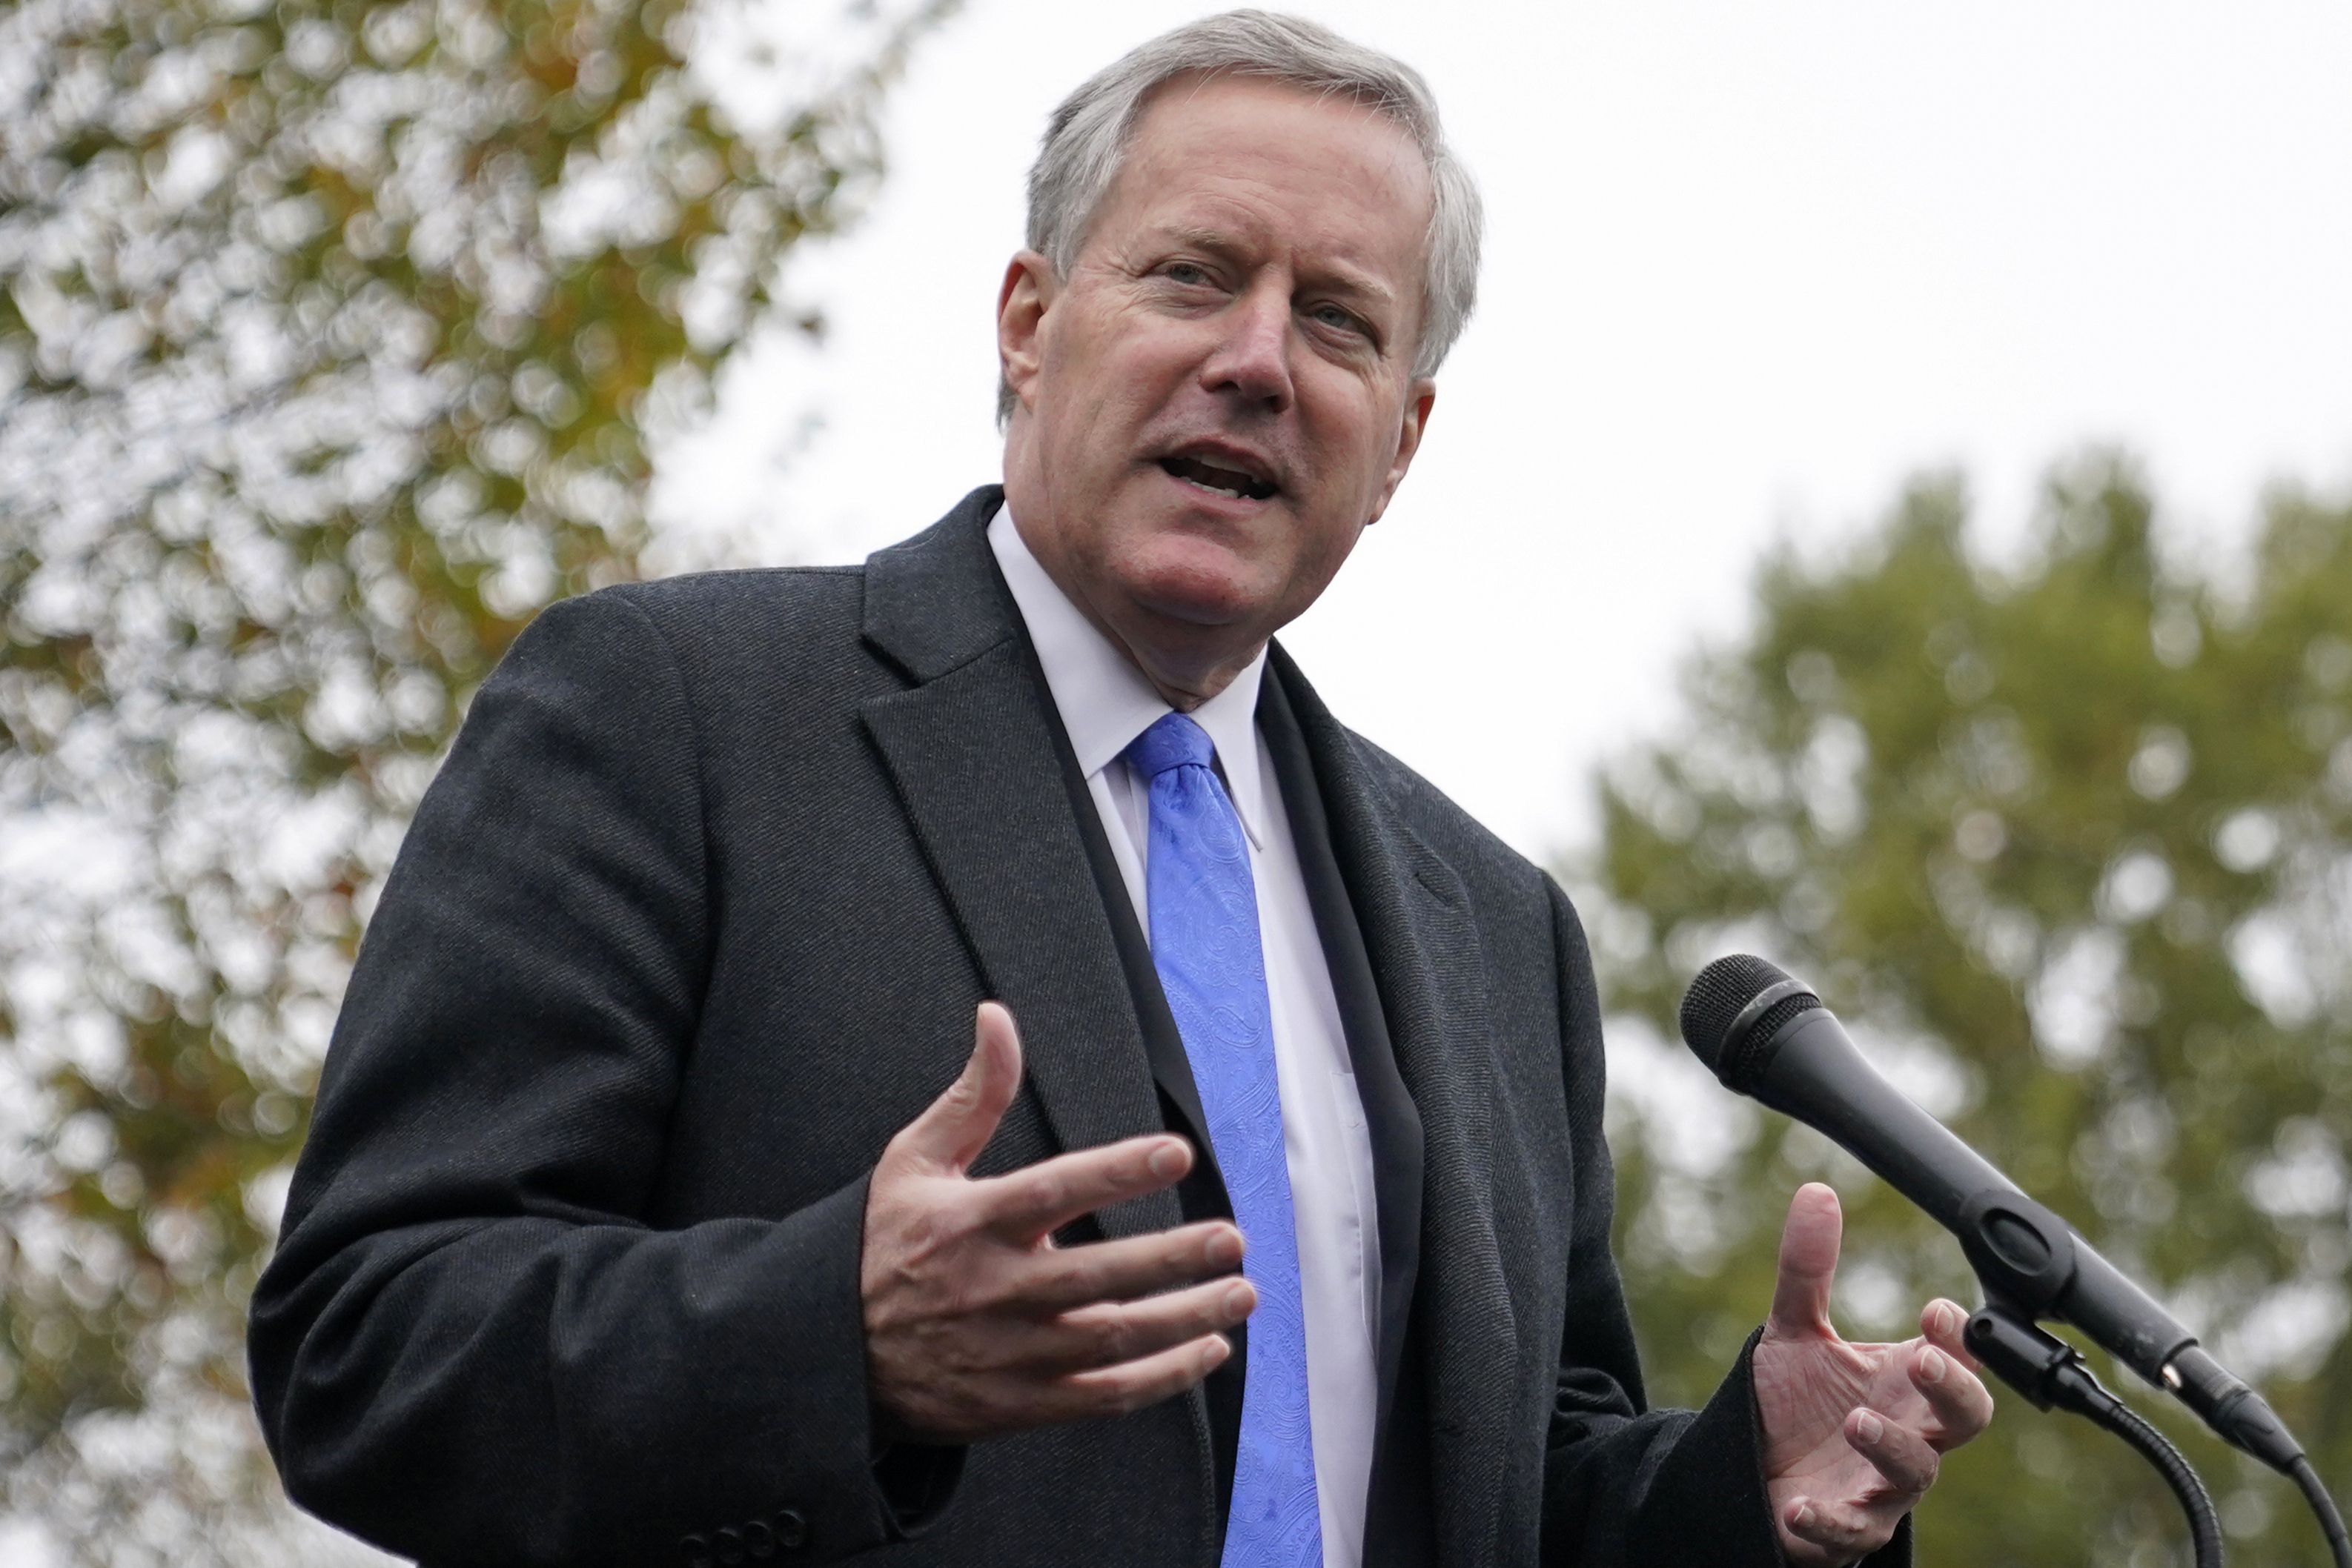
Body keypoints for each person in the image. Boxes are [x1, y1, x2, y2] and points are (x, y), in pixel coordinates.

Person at [249, 12, 1992, 1567]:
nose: (1257, 357)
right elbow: (368, 1342)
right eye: (1190, 275)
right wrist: (835, 1340)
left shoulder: (1497, 928)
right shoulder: (677, 714)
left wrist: (1738, 1496)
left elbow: (1510, 1490)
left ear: (1399, 441)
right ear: (1028, 322)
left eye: (1336, 320)